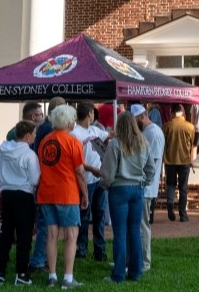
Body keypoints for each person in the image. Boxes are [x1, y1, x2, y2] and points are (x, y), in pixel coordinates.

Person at [37, 104, 88, 289]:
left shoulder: (44, 141)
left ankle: (52, 276)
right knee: (71, 235)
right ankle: (67, 278)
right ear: (68, 122)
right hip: (67, 193)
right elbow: (80, 172)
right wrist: (85, 194)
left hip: (46, 192)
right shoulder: (73, 142)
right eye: (73, 119)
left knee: (51, 235)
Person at [101, 110, 155, 283]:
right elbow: (151, 169)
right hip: (137, 189)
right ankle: (136, 271)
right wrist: (145, 181)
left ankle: (118, 274)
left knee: (120, 232)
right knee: (135, 231)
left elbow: (108, 172)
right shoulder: (143, 142)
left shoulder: (115, 144)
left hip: (119, 189)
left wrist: (104, 184)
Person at [0, 120, 41, 286]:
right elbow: (35, 179)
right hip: (24, 195)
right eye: (34, 134)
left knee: (5, 234)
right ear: (27, 135)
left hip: (6, 194)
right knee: (24, 236)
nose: (35, 137)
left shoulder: (3, 150)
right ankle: (21, 272)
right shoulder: (29, 155)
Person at [29, 97, 66, 273]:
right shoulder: (49, 129)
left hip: (44, 180)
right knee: (46, 224)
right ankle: (38, 259)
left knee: (47, 223)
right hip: (49, 181)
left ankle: (41, 257)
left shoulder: (42, 127)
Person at [72, 102, 107, 262]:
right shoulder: (75, 134)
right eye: (93, 113)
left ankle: (100, 249)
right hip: (85, 179)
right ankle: (82, 248)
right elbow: (75, 161)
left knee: (99, 214)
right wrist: (91, 168)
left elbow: (108, 137)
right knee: (84, 215)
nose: (94, 116)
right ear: (89, 114)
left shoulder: (95, 130)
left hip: (100, 179)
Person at [131, 104, 164, 271]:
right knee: (137, 225)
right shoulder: (147, 132)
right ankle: (135, 259)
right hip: (141, 185)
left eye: (134, 119)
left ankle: (144, 261)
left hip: (146, 187)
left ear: (141, 116)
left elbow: (153, 161)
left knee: (143, 225)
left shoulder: (154, 133)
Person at [161, 104, 196, 222]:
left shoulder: (167, 126)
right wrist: (192, 159)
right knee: (183, 187)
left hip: (170, 159)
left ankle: (170, 202)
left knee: (170, 184)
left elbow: (163, 142)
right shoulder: (190, 126)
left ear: (172, 113)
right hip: (184, 160)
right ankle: (183, 214)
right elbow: (193, 144)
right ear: (182, 112)